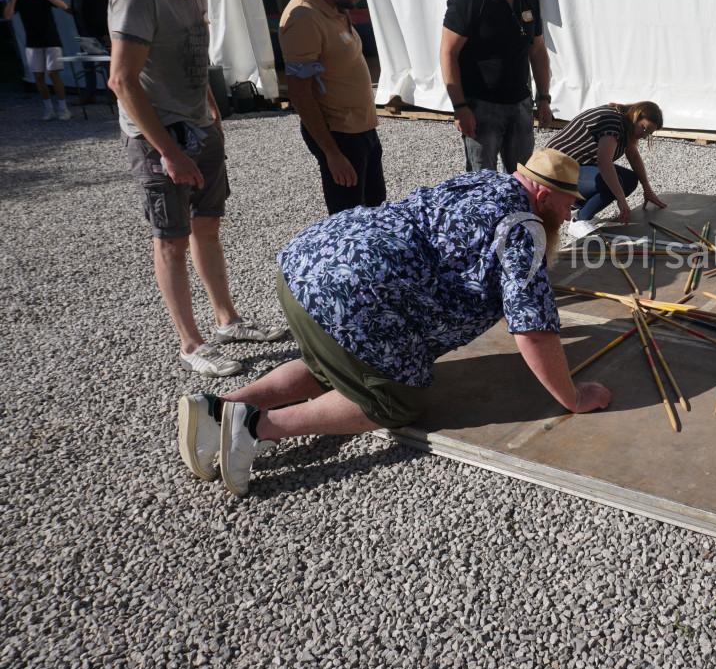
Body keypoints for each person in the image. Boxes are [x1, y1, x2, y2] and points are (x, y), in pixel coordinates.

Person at [174, 149, 614, 496]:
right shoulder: (525, 227)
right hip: (357, 293)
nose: (570, 211)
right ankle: (256, 427)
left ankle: (219, 406)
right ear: (543, 194)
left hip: (307, 265)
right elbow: (532, 330)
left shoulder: (484, 180)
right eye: (567, 201)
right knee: (394, 402)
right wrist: (572, 396)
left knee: (333, 363)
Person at [108, 0, 286, 378]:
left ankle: (227, 321)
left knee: (208, 224)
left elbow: (196, 52)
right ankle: (191, 342)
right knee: (171, 239)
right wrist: (168, 150)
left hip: (198, 125)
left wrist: (211, 110)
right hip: (158, 137)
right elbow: (122, 81)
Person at [279, 0, 385, 215]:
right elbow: (301, 93)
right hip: (341, 137)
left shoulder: (334, 7)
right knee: (349, 223)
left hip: (362, 131)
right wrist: (332, 154)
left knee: (376, 214)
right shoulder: (304, 17)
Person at [440, 0, 555, 174]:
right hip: (482, 107)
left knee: (523, 177)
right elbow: (448, 52)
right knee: (484, 181)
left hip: (520, 104)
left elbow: (537, 50)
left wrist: (543, 97)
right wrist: (460, 106)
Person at [548, 101, 668, 239]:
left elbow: (633, 156)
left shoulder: (624, 122)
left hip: (573, 166)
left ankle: (580, 209)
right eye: (644, 129)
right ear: (636, 116)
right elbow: (604, 163)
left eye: (649, 133)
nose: (644, 135)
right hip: (554, 169)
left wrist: (647, 188)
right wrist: (621, 199)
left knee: (630, 180)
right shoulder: (614, 122)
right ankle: (579, 220)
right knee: (610, 182)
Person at [4, 0, 71, 120]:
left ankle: (63, 108)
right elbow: (7, 16)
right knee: (38, 77)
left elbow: (64, 6)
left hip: (51, 39)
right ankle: (48, 109)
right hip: (33, 42)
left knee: (54, 73)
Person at [65, 0, 111, 105]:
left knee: (105, 64)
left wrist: (105, 32)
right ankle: (90, 93)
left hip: (97, 31)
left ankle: (113, 94)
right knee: (87, 66)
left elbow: (103, 10)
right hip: (83, 31)